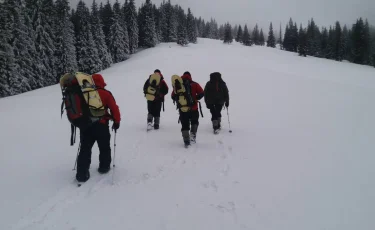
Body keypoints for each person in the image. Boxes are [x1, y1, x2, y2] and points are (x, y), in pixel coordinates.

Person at [76, 73, 121, 183]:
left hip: (86, 127)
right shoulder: (106, 94)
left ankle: (82, 174)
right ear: (102, 82)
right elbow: (114, 108)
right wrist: (117, 121)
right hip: (102, 125)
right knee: (104, 147)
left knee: (85, 150)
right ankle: (104, 167)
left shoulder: (84, 94)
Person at [171, 71, 204, 146]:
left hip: (182, 109)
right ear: (190, 76)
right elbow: (202, 93)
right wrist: (196, 97)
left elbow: (172, 96)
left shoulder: (178, 85)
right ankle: (192, 136)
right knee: (194, 122)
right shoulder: (195, 84)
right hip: (193, 108)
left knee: (184, 124)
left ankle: (186, 140)